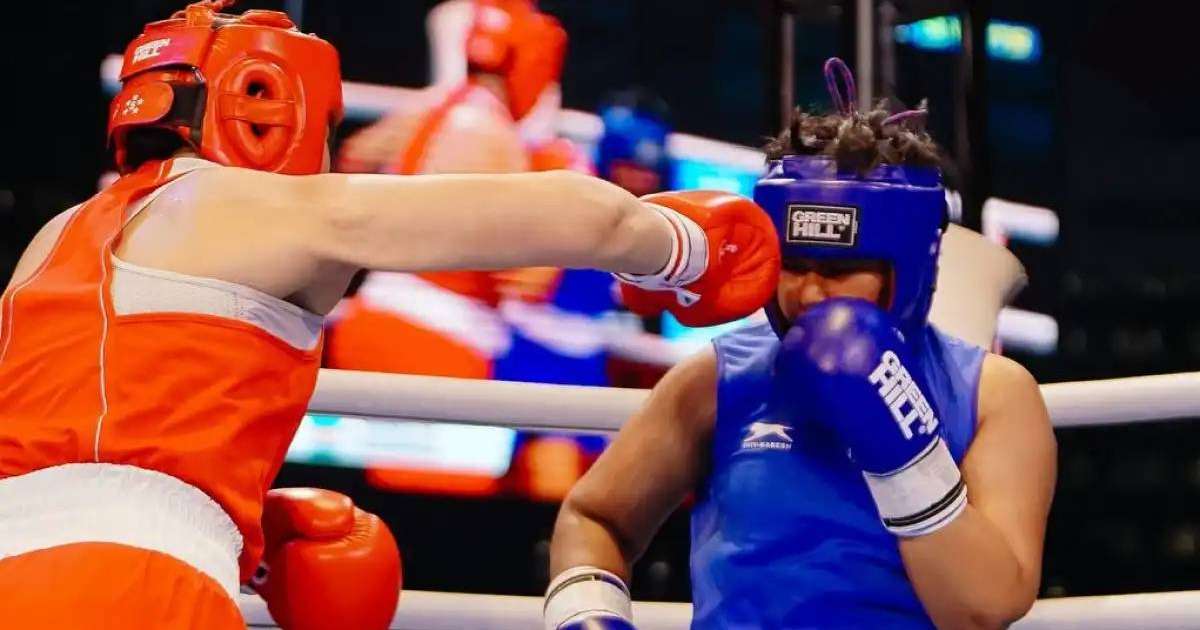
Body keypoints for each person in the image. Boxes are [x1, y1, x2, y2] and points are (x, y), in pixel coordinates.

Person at [0, 2, 780, 628]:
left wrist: (247, 534)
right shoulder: (252, 203)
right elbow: (576, 217)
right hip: (136, 586)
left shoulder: (52, 239)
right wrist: (679, 244)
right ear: (267, 105)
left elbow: (84, 444)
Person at [545, 59, 1056, 630]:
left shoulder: (991, 395)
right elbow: (595, 518)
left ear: (910, 266)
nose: (811, 292)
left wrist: (898, 441)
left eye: (839, 270)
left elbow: (983, 608)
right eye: (794, 265)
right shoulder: (719, 380)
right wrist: (588, 615)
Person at [328, 0, 587, 380]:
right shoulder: (504, 143)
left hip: (370, 316)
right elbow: (526, 279)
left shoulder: (424, 111)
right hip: (442, 343)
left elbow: (351, 159)